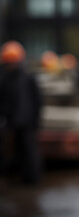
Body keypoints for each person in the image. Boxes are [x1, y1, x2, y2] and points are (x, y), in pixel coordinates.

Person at [0, 40, 42, 185]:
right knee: (18, 153)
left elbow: (37, 101)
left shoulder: (27, 78)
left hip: (27, 123)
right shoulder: (6, 80)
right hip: (14, 123)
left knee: (30, 152)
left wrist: (36, 121)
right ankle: (23, 177)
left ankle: (32, 179)